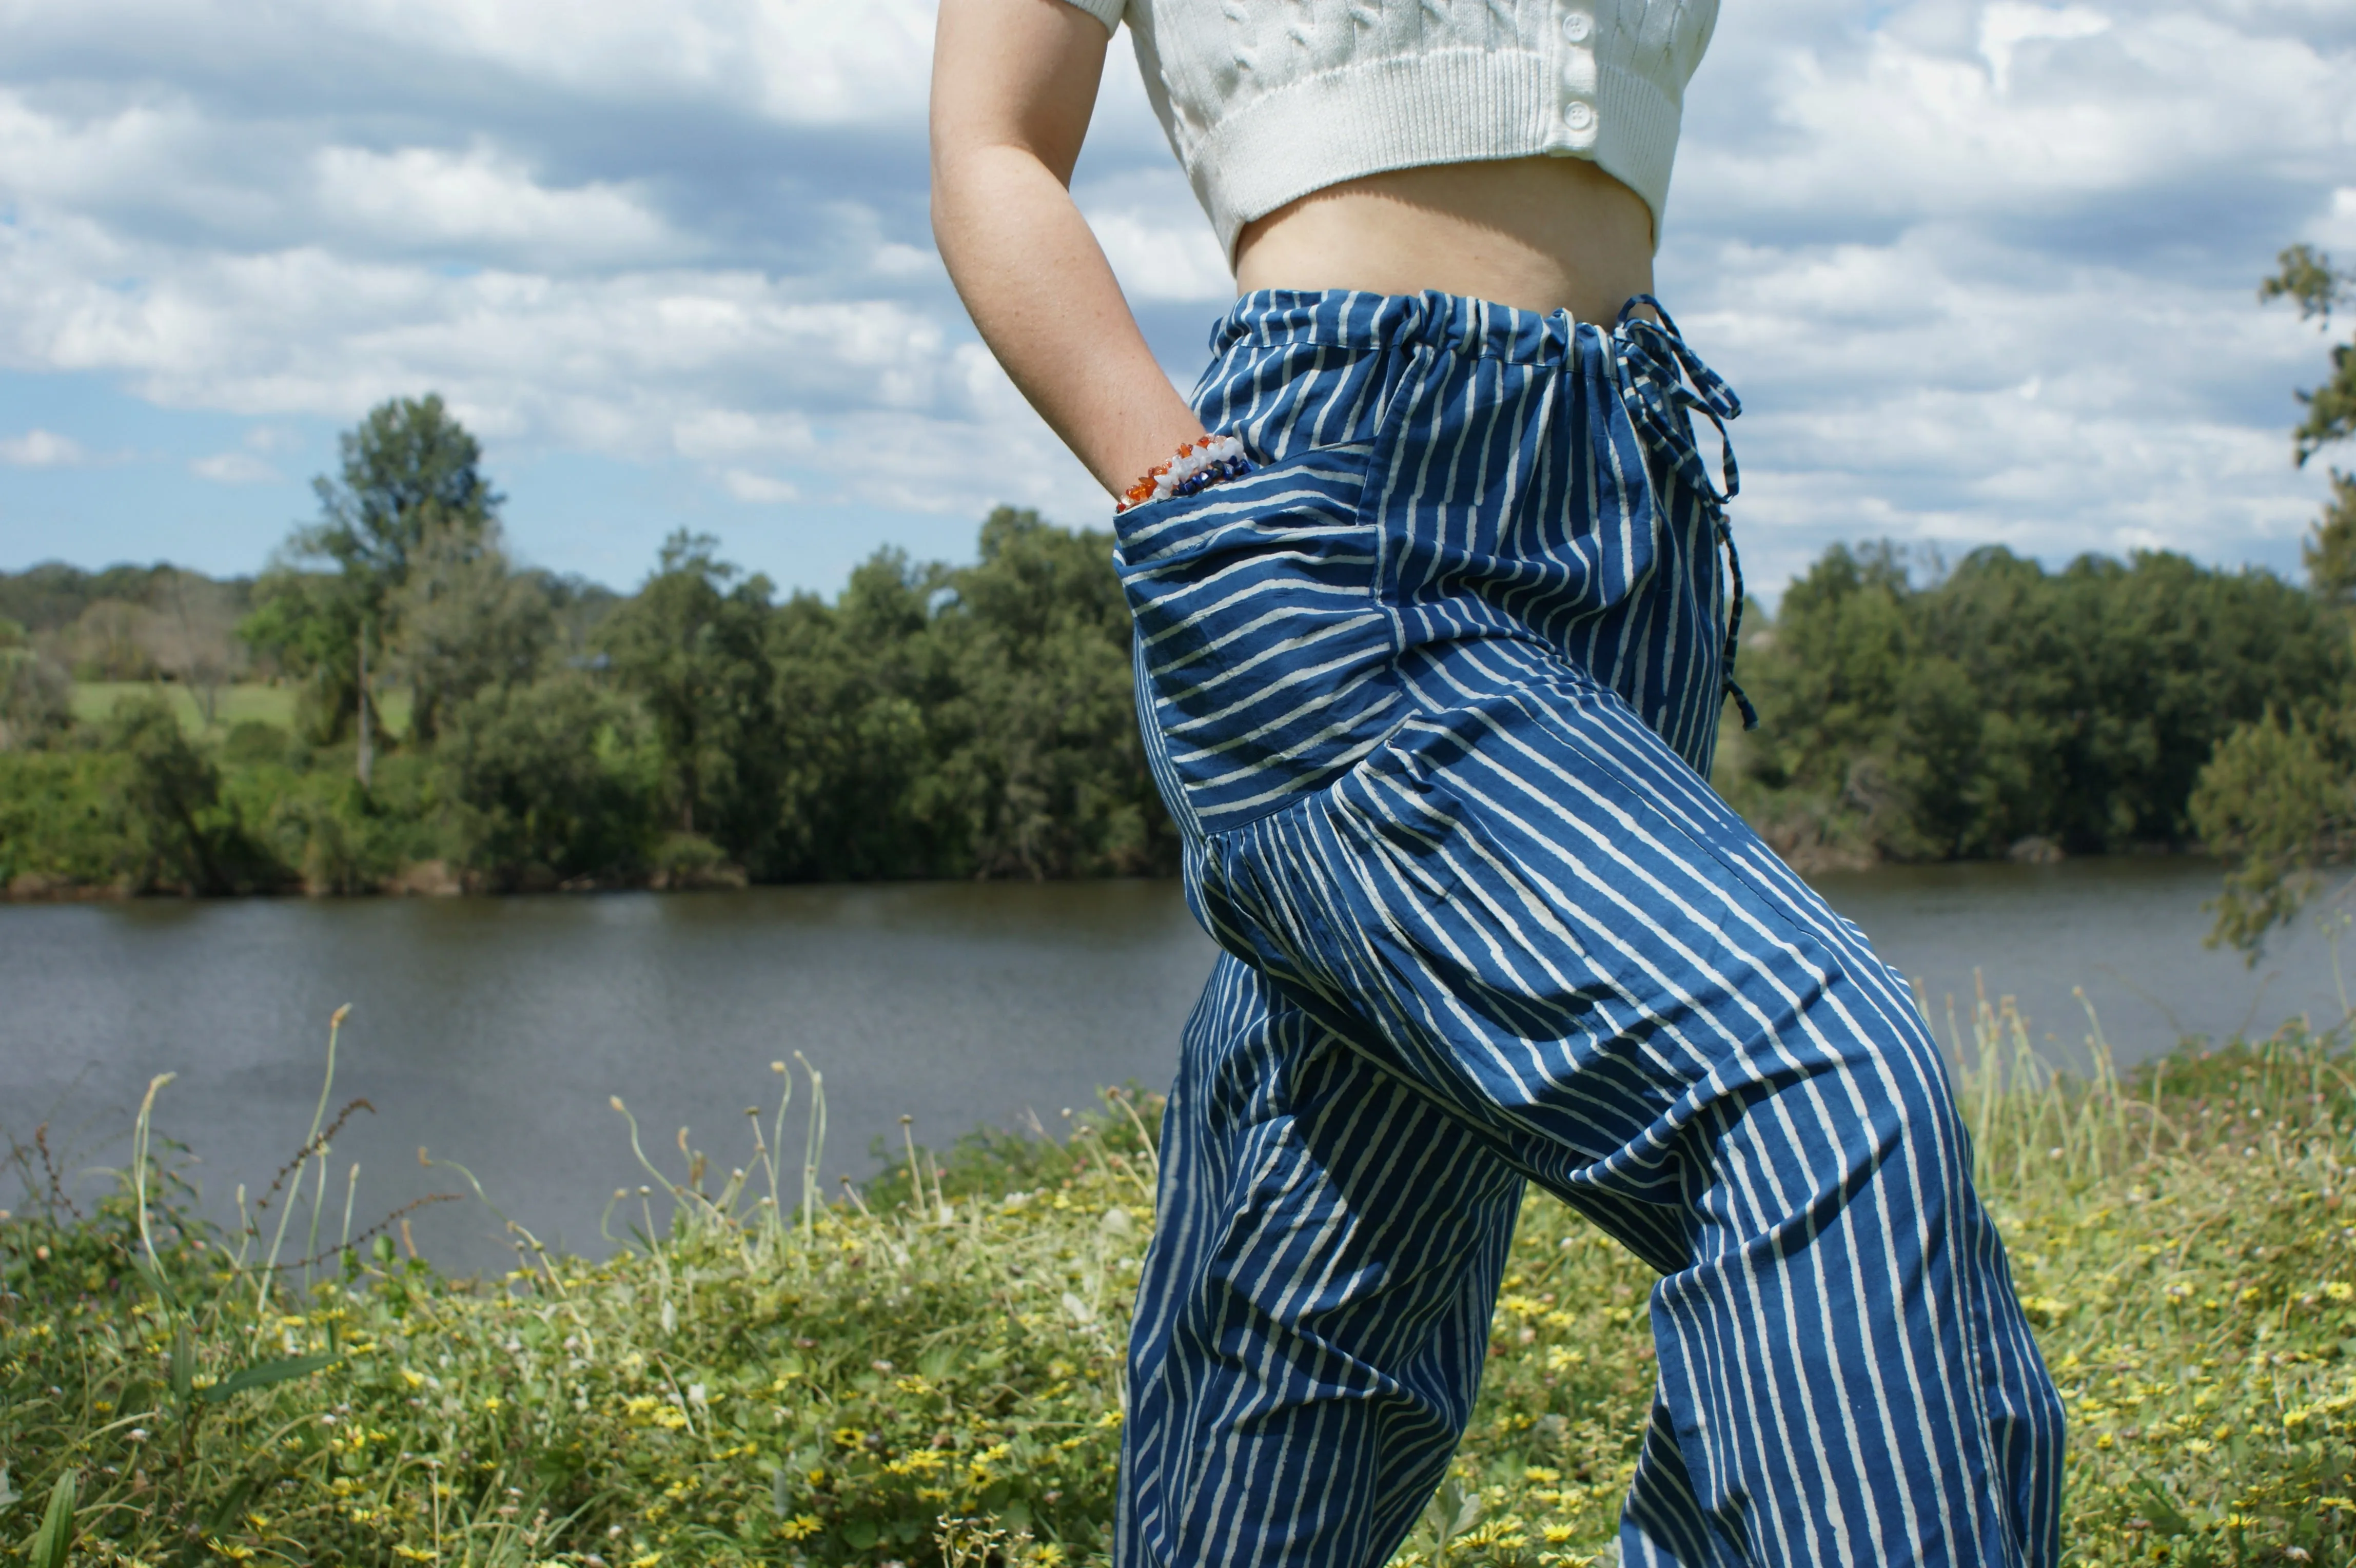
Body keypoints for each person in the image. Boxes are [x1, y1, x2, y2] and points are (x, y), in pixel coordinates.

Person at [929, 3, 2066, 1564]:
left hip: (1633, 498)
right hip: (1338, 512)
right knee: (1820, 1096)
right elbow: (990, 144)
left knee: (1316, 1291)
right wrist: (1171, 486)